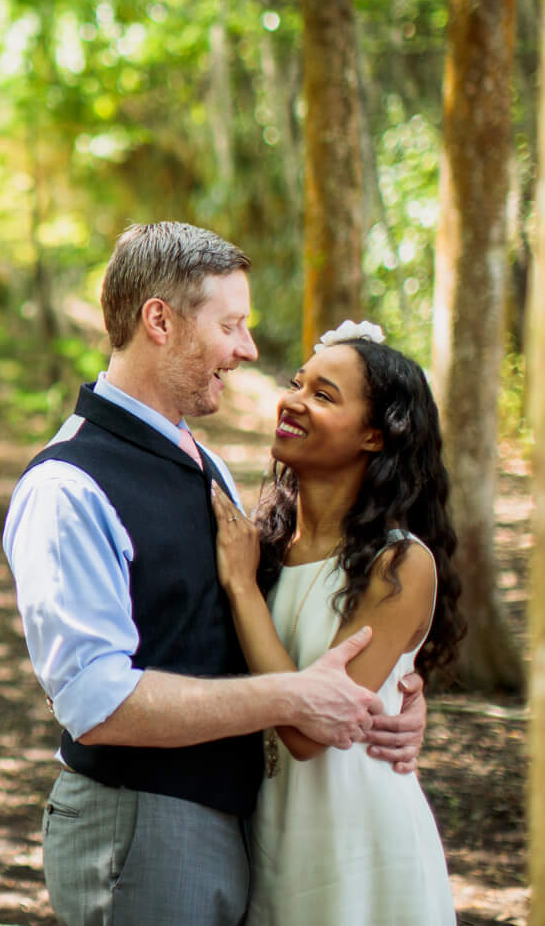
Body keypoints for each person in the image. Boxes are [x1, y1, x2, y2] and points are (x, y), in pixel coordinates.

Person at [3, 222, 426, 925]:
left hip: (237, 823)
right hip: (142, 827)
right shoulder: (67, 487)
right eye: (231, 324)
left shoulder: (204, 463)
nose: (248, 349)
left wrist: (386, 692)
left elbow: (273, 612)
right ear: (160, 320)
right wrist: (293, 698)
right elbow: (98, 701)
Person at [210, 321, 460, 925]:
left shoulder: (399, 564)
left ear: (375, 436)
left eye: (323, 395)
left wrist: (242, 589)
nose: (293, 401)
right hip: (270, 832)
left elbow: (310, 729)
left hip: (361, 842)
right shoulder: (260, 544)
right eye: (298, 384)